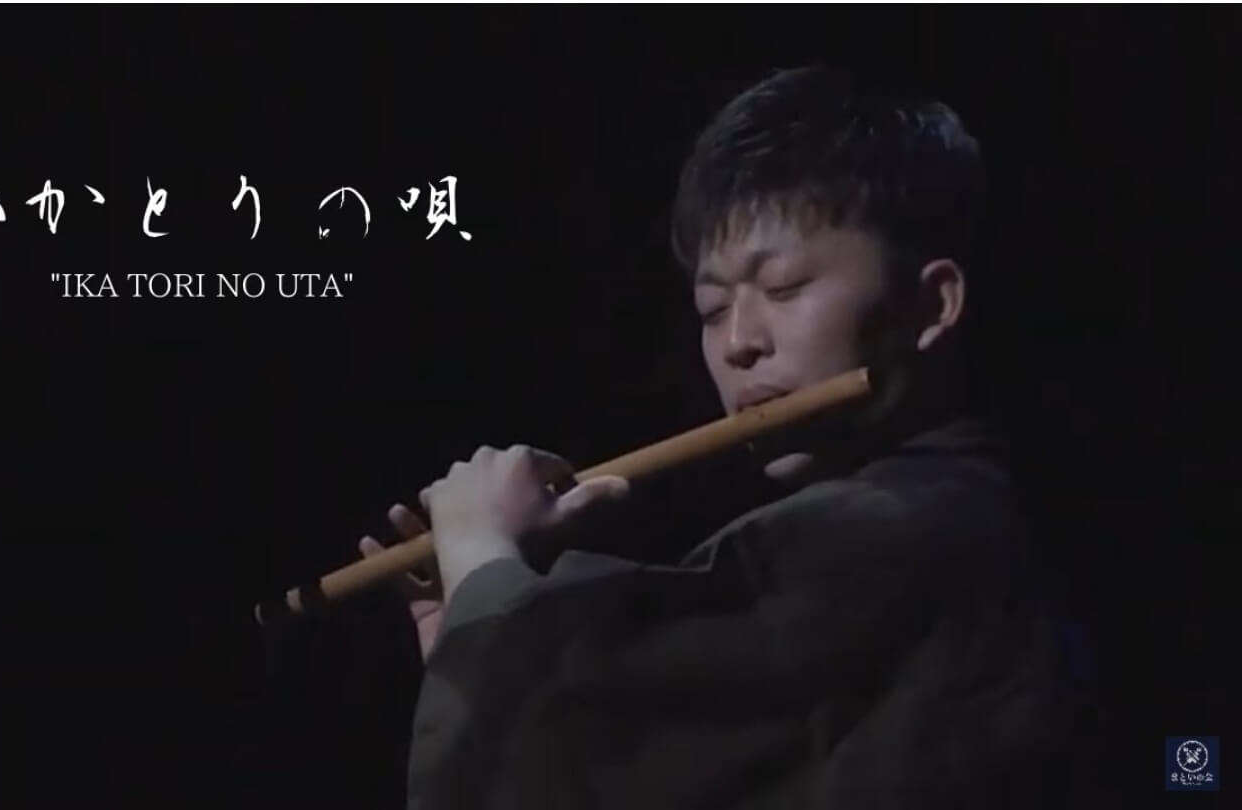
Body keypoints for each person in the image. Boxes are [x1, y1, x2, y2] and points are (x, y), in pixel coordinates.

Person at [360, 65, 1087, 810]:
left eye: (784, 288)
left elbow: (573, 726)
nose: (739, 342)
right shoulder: (929, 520)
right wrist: (471, 642)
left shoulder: (904, 532)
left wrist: (485, 568)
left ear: (931, 304)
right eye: (712, 310)